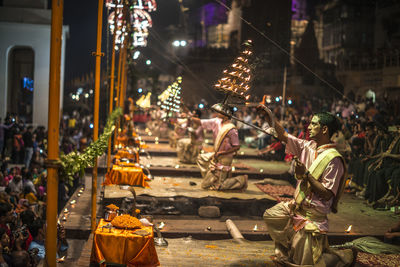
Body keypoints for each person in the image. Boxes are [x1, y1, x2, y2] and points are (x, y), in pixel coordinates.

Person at [259, 107, 355, 266]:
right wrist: (268, 115)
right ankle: (291, 248)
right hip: (297, 207)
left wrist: (306, 175)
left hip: (313, 216)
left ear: (324, 129)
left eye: (313, 124)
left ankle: (338, 257)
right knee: (272, 216)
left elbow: (327, 194)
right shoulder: (307, 146)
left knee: (304, 263)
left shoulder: (334, 159)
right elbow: (283, 135)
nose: (308, 127)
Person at [192, 104, 248, 191]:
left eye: (221, 111)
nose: (218, 112)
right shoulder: (216, 121)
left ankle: (241, 180)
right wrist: (189, 117)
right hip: (217, 155)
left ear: (226, 114)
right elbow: (200, 122)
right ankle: (216, 179)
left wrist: (222, 153)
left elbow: (237, 147)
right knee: (205, 185)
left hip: (225, 157)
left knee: (220, 186)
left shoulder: (231, 129)